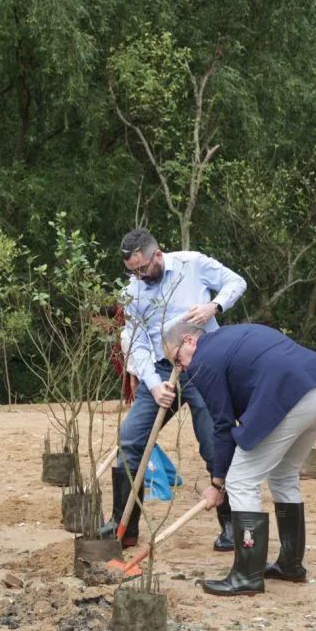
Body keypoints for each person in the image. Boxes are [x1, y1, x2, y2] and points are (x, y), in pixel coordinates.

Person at [163, 322, 316, 596]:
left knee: (240, 481)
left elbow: (222, 425)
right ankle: (290, 565)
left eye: (177, 359)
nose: (179, 368)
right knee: (284, 475)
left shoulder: (203, 360)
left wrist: (217, 484)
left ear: (190, 341)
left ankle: (246, 576)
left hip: (289, 398)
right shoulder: (232, 335)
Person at [102, 228, 247, 551]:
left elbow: (237, 282)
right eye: (133, 271)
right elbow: (136, 341)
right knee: (130, 441)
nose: (140, 275)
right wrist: (153, 386)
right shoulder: (133, 292)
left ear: (158, 254)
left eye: (143, 268)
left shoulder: (191, 264)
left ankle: (231, 527)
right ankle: (124, 527)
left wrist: (215, 307)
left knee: (214, 444)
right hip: (161, 371)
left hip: (204, 366)